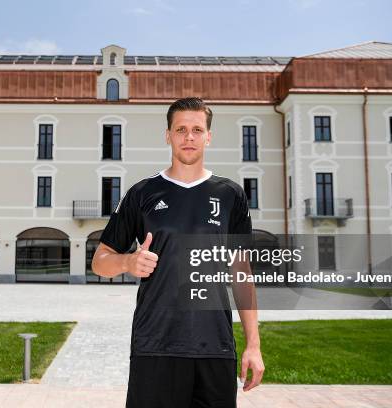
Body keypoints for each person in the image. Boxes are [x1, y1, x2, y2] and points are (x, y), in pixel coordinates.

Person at [91, 97, 264, 408]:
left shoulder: (230, 195)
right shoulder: (142, 193)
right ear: (168, 135)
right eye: (180, 129)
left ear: (208, 136)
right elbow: (100, 262)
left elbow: (242, 275)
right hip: (154, 345)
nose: (189, 137)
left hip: (214, 346)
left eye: (197, 129)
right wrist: (128, 261)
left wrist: (254, 345)